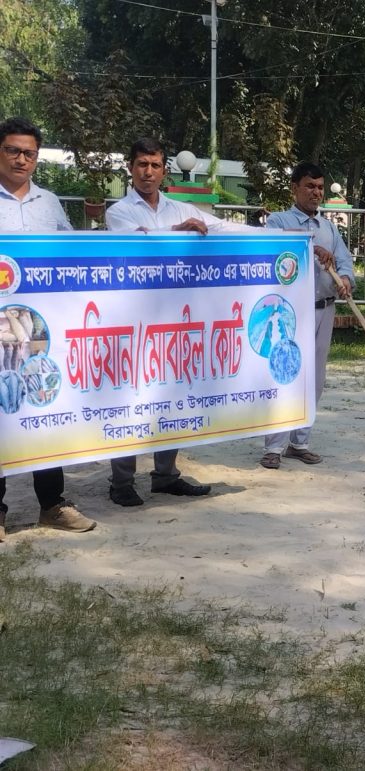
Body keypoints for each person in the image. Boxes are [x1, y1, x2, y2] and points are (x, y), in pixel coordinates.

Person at [104, 137, 244, 506]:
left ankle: (165, 476)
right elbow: (140, 244)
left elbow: (225, 229)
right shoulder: (119, 211)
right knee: (131, 399)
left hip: (176, 321)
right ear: (130, 168)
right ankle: (121, 483)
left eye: (154, 165)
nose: (148, 171)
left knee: (174, 395)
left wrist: (295, 238)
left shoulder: (180, 209)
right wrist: (177, 234)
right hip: (134, 321)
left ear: (165, 170)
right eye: (141, 164)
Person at [0, 116, 97, 539]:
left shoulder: (50, 202)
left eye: (29, 153)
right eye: (13, 151)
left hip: (41, 329)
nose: (22, 159)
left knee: (44, 407)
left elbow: (71, 256)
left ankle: (52, 503)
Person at [259, 162, 354, 470]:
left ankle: (300, 442)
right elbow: (273, 253)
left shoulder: (329, 228)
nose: (315, 192)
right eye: (309, 186)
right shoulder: (278, 221)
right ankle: (273, 446)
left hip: (324, 309)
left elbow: (344, 263)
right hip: (290, 314)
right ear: (295, 188)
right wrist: (312, 249)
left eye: (319, 187)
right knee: (285, 374)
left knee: (314, 378)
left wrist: (347, 280)